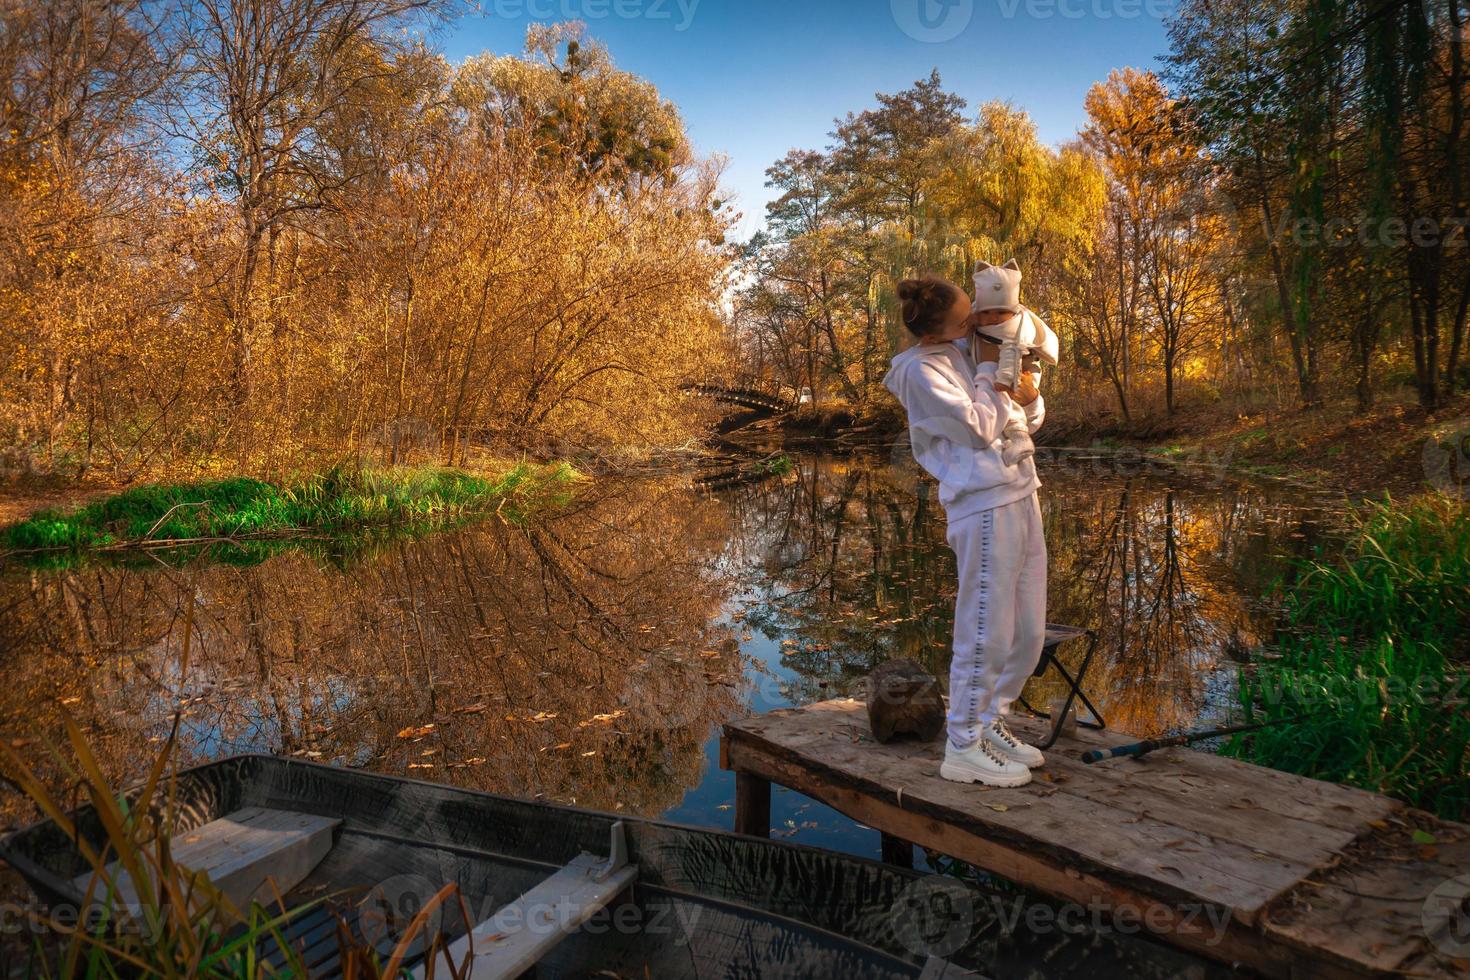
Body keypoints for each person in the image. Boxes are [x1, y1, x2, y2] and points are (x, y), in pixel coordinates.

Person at [882, 276, 1049, 788]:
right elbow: (978, 427)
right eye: (964, 318)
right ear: (937, 332)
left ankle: (989, 721)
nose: (974, 322)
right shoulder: (919, 372)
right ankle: (962, 743)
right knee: (986, 627)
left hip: (1021, 491)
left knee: (1026, 629)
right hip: (981, 507)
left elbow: (1022, 418)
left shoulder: (963, 349)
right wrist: (988, 374)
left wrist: (1028, 393)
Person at [971, 260, 1059, 468]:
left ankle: (1019, 439)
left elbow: (1034, 420)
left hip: (1017, 479)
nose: (993, 318)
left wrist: (1031, 400)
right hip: (978, 474)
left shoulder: (1023, 327)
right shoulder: (964, 343)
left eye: (1001, 312)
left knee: (1012, 397)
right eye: (985, 312)